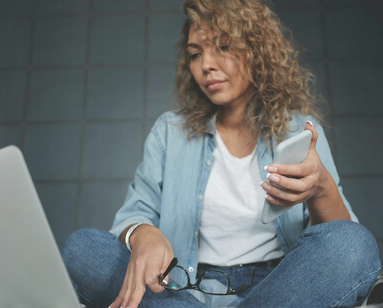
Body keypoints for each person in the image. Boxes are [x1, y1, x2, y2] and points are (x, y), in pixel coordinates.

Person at [60, 0, 381, 307]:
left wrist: (321, 186)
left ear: (257, 49)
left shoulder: (301, 130)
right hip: (181, 292)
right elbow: (131, 216)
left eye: (223, 46)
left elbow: (341, 239)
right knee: (82, 250)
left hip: (283, 288)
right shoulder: (168, 132)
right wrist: (143, 234)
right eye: (195, 54)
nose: (207, 65)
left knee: (355, 244)